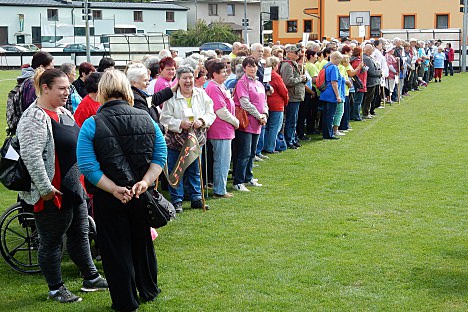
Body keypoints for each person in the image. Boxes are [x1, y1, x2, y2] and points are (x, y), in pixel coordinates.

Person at [77, 69, 167, 311]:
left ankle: (126, 301)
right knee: (142, 242)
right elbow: (160, 155)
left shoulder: (92, 123)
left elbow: (87, 164)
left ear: (102, 92)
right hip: (140, 192)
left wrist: (114, 188)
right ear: (127, 90)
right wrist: (146, 182)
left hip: (109, 196)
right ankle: (148, 289)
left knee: (116, 250)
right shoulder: (146, 118)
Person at [17, 68, 107, 304]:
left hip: (73, 190)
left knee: (81, 234)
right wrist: (45, 189)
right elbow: (31, 155)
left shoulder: (63, 112)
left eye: (68, 88)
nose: (68, 92)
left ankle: (91, 278)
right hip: (52, 194)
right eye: (62, 88)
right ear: (45, 88)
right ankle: (56, 288)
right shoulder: (34, 117)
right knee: (52, 241)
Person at [160, 66, 215, 212]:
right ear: (178, 80)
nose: (188, 81)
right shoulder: (171, 97)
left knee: (195, 169)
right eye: (184, 78)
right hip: (176, 141)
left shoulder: (201, 94)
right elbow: (164, 118)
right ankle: (177, 200)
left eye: (190, 77)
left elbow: (211, 113)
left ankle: (196, 197)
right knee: (176, 170)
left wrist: (202, 121)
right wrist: (179, 124)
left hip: (195, 139)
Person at [232, 57, 268, 191]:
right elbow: (244, 102)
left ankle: (248, 177)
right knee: (244, 153)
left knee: (252, 152)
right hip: (247, 122)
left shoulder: (258, 83)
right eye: (249, 66)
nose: (253, 68)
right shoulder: (242, 82)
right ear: (244, 68)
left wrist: (264, 113)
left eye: (254, 66)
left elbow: (264, 100)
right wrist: (258, 115)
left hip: (257, 123)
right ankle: (238, 180)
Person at [205, 60, 239, 198]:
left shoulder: (220, 86)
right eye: (223, 72)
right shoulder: (213, 87)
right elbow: (220, 110)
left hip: (225, 129)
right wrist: (235, 121)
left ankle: (220, 188)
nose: (226, 74)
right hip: (220, 130)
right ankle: (220, 190)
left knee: (223, 160)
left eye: (226, 71)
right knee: (222, 161)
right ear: (214, 74)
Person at [126, 63, 176, 129]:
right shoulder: (136, 100)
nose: (148, 83)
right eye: (145, 81)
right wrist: (163, 128)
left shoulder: (140, 94)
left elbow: (153, 99)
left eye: (148, 80)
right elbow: (147, 123)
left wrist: (172, 89)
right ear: (134, 82)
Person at [280, 45, 307, 149]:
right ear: (289, 53)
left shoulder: (292, 64)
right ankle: (289, 140)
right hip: (292, 96)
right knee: (291, 120)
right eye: (295, 52)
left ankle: (292, 138)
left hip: (296, 95)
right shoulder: (287, 65)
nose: (298, 54)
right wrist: (300, 78)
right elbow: (288, 81)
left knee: (294, 119)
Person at [263, 56, 289, 154]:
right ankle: (270, 147)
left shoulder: (265, 75)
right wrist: (286, 101)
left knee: (267, 127)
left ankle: (265, 145)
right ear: (274, 65)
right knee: (275, 127)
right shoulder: (276, 76)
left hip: (267, 103)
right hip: (277, 104)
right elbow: (283, 91)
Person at [318, 51, 344, 140]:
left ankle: (325, 133)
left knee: (325, 115)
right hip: (331, 95)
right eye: (339, 60)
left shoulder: (326, 66)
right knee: (330, 115)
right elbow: (334, 82)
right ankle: (329, 134)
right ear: (335, 58)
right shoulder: (333, 67)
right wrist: (338, 96)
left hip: (324, 93)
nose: (339, 62)